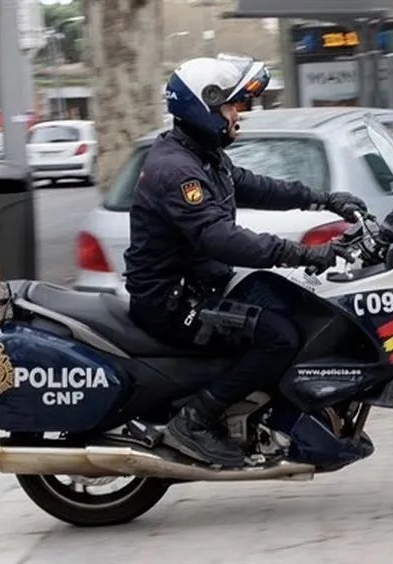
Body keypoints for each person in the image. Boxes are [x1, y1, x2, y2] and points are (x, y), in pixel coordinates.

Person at [123, 56, 367, 468]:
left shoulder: (201, 155)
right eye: (231, 107)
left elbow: (256, 187)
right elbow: (220, 237)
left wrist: (324, 199)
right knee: (280, 337)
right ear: (204, 107)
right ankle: (194, 421)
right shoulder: (178, 171)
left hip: (201, 286)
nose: (238, 115)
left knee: (298, 307)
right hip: (172, 303)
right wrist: (304, 254)